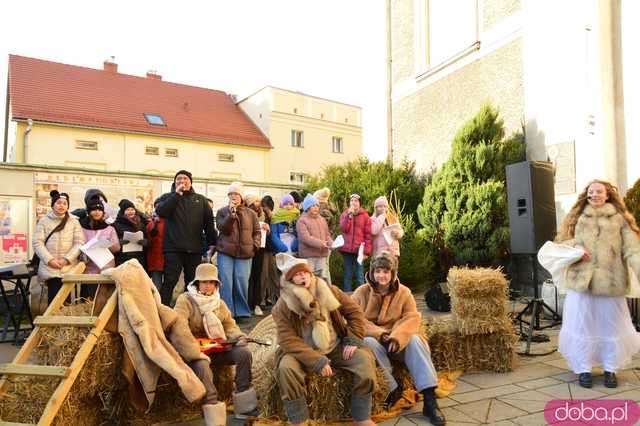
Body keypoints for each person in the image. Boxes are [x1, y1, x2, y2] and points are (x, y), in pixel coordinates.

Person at [272, 253, 377, 426]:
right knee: (286, 369)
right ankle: (299, 420)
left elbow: (355, 312)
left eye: (305, 272)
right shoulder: (282, 306)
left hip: (334, 346)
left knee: (364, 360)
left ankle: (362, 417)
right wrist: (316, 361)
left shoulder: (329, 290)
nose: (303, 276)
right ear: (289, 280)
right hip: (302, 353)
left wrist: (352, 339)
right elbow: (287, 339)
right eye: (297, 274)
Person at [556, 180, 640, 389]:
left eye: (599, 192)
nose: (594, 195)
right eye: (591, 191)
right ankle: (584, 369)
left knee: (611, 327)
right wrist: (576, 247)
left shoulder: (620, 219)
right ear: (587, 194)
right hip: (581, 283)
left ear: (608, 195)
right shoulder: (575, 217)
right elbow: (562, 242)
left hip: (611, 284)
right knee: (581, 325)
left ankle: (610, 369)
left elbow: (632, 250)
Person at [352, 252, 445, 425]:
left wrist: (396, 337)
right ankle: (393, 387)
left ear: (393, 273)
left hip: (398, 342)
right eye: (378, 271)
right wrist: (380, 334)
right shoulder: (361, 293)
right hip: (376, 342)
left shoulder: (404, 292)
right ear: (372, 272)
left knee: (416, 340)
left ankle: (430, 400)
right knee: (368, 342)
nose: (381, 275)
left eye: (386, 271)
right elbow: (354, 320)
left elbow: (412, 317)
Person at [174, 263, 259, 424]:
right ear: (197, 283)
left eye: (212, 282)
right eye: (204, 282)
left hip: (216, 349)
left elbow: (229, 325)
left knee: (244, 353)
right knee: (202, 366)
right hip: (194, 351)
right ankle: (212, 406)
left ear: (216, 285)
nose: (208, 286)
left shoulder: (219, 303)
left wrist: (239, 337)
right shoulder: (185, 300)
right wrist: (193, 351)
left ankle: (244, 402)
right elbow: (180, 330)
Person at [155, 170, 217, 306]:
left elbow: (208, 224)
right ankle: (162, 310)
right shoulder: (168, 197)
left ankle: (189, 309)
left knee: (192, 283)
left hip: (194, 249)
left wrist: (213, 242)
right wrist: (177, 194)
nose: (182, 181)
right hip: (173, 248)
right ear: (174, 182)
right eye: (178, 179)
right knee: (170, 281)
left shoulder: (200, 200)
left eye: (185, 178)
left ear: (190, 182)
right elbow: (161, 212)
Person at [216, 182, 260, 319]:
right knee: (226, 282)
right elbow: (223, 229)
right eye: (231, 194)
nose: (233, 196)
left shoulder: (251, 213)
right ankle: (227, 313)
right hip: (226, 252)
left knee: (241, 282)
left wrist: (255, 245)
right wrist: (231, 214)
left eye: (236, 193)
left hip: (246, 253)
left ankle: (241, 312)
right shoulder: (222, 211)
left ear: (241, 196)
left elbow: (257, 231)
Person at [33, 190, 85, 303]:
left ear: (67, 206)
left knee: (68, 302)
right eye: (58, 202)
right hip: (50, 268)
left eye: (64, 203)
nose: (62, 205)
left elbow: (79, 242)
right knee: (53, 300)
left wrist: (67, 259)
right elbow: (37, 242)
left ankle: (66, 321)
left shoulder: (74, 221)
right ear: (53, 205)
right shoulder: (44, 221)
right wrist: (49, 260)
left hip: (69, 267)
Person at [79, 198, 120, 298]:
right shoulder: (81, 227)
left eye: (99, 210)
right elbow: (78, 244)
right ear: (89, 212)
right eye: (93, 210)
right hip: (88, 269)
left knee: (104, 299)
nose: (97, 212)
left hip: (106, 269)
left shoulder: (109, 228)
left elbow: (117, 247)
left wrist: (105, 245)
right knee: (89, 299)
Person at [339, 194, 372, 292]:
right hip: (347, 250)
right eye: (352, 200)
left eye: (356, 201)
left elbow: (368, 235)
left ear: (359, 203)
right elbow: (344, 229)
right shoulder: (345, 214)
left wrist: (366, 252)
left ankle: (361, 296)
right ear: (349, 203)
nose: (353, 202)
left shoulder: (365, 216)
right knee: (347, 275)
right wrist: (349, 216)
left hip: (359, 251)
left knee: (359, 275)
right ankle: (347, 296)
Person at [296, 194, 333, 282]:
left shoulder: (322, 219)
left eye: (317, 205)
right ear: (307, 207)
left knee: (322, 281)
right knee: (310, 281)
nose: (316, 207)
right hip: (309, 256)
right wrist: (321, 243)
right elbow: (305, 238)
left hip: (322, 255)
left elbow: (327, 234)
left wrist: (331, 242)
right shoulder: (302, 221)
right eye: (313, 205)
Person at [245, 193, 270, 316]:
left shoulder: (263, 215)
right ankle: (247, 304)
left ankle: (256, 304)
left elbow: (265, 233)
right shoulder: (245, 213)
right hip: (247, 248)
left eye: (259, 201)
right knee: (247, 277)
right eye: (255, 201)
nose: (258, 203)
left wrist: (267, 227)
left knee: (257, 276)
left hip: (259, 248)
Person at [113, 199, 149, 268]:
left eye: (132, 209)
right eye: (127, 210)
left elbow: (148, 240)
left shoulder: (141, 224)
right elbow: (112, 242)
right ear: (123, 212)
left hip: (139, 259)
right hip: (123, 259)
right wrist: (119, 242)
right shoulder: (116, 225)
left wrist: (145, 242)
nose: (130, 212)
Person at [314, 187, 338, 285]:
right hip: (326, 243)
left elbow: (322, 230)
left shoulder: (324, 212)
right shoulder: (327, 210)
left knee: (323, 269)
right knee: (324, 268)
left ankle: (328, 290)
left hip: (324, 244)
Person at [260, 195, 280, 306]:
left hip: (272, 250)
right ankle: (263, 298)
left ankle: (275, 297)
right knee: (264, 275)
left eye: (265, 206)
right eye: (263, 206)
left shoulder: (274, 218)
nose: (264, 209)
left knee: (273, 275)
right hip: (263, 250)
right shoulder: (262, 218)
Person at [146, 208, 165, 291]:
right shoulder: (151, 224)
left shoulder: (152, 224)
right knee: (158, 285)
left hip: (162, 258)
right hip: (155, 258)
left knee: (159, 285)